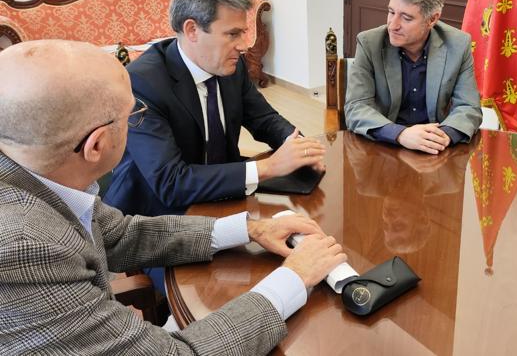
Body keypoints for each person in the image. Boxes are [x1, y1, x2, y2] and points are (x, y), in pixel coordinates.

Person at [0, 40, 346, 354]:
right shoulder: (27, 248)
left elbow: (120, 234)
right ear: (97, 145)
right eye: (131, 117)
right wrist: (293, 279)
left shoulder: (34, 173)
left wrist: (250, 230)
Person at [106, 0, 326, 218]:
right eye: (232, 34)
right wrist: (268, 167)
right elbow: (171, 183)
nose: (244, 45)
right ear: (192, 30)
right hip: (156, 216)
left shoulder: (231, 65)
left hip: (222, 195)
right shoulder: (142, 83)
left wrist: (299, 147)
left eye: (243, 32)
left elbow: (263, 119)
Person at [344, 0, 482, 154]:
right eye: (391, 12)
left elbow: (469, 107)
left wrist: (440, 136)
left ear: (432, 19)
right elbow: (356, 107)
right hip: (384, 147)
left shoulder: (458, 44)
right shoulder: (369, 43)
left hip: (435, 149)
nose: (393, 25)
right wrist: (401, 134)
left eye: (406, 18)